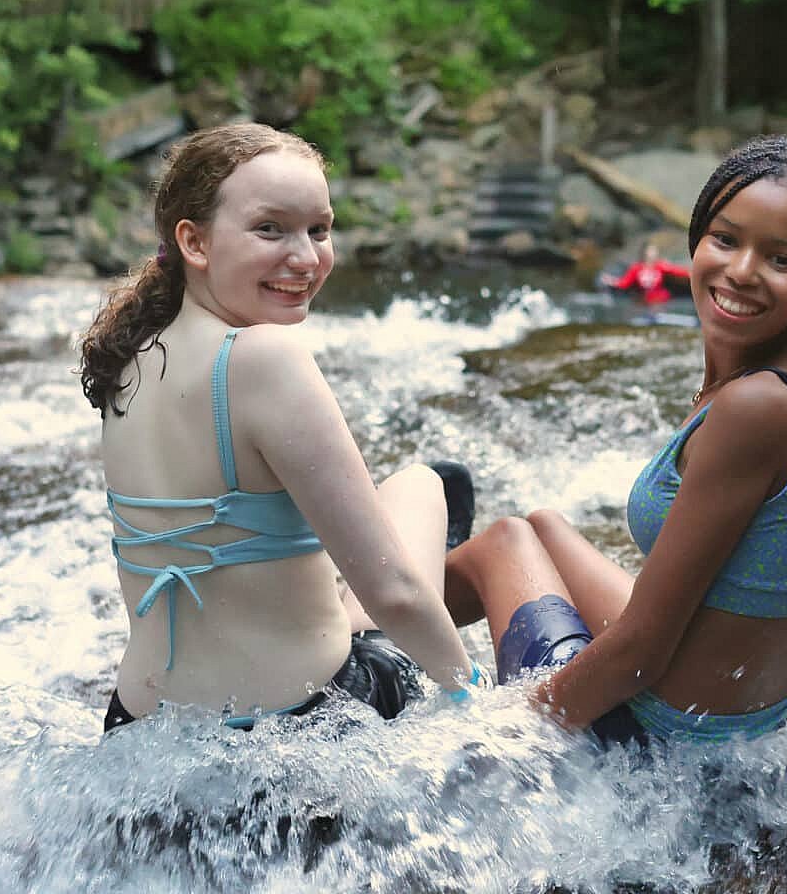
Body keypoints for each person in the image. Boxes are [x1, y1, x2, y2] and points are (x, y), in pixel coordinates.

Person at [445, 135, 787, 746]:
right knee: (545, 526)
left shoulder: (756, 407)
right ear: (697, 236)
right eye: (726, 239)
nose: (740, 271)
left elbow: (640, 655)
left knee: (503, 542)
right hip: (740, 736)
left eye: (781, 260)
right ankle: (374, 621)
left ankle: (357, 643)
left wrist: (496, 743)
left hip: (653, 749)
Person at [80, 123, 487, 734]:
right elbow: (395, 592)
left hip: (135, 725)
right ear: (194, 241)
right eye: (270, 229)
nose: (306, 257)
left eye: (318, 229)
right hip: (299, 723)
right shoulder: (265, 356)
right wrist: (478, 704)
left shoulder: (130, 351)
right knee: (434, 483)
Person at [600, 242, 691, 305]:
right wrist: (611, 281)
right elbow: (625, 283)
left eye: (654, 251)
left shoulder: (660, 266)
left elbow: (677, 271)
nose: (653, 254)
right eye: (651, 251)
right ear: (645, 253)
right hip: (644, 300)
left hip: (660, 299)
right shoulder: (637, 268)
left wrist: (691, 272)